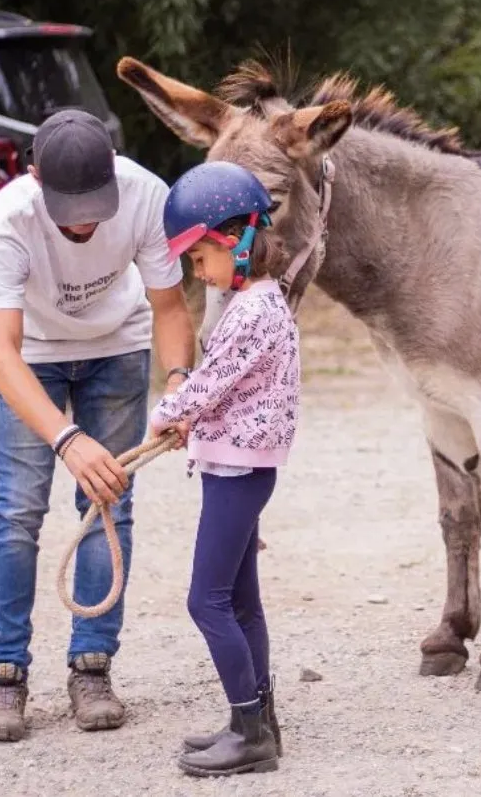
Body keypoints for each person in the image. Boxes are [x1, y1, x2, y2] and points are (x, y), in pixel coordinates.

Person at [0, 108, 196, 742]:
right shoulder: (7, 219)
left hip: (117, 349)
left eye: (96, 203)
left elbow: (170, 308)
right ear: (35, 177)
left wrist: (178, 385)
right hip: (30, 357)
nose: (84, 220)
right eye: (70, 206)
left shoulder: (146, 195)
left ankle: (92, 665)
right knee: (17, 509)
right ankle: (4, 673)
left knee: (107, 506)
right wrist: (66, 440)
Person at [146, 160, 300, 777]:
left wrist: (167, 413)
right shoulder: (260, 304)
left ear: (232, 243)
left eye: (198, 259)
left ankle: (250, 728)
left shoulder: (254, 311)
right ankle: (257, 721)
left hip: (237, 472)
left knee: (205, 601)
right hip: (238, 467)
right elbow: (228, 388)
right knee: (239, 601)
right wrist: (195, 420)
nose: (196, 273)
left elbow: (209, 383)